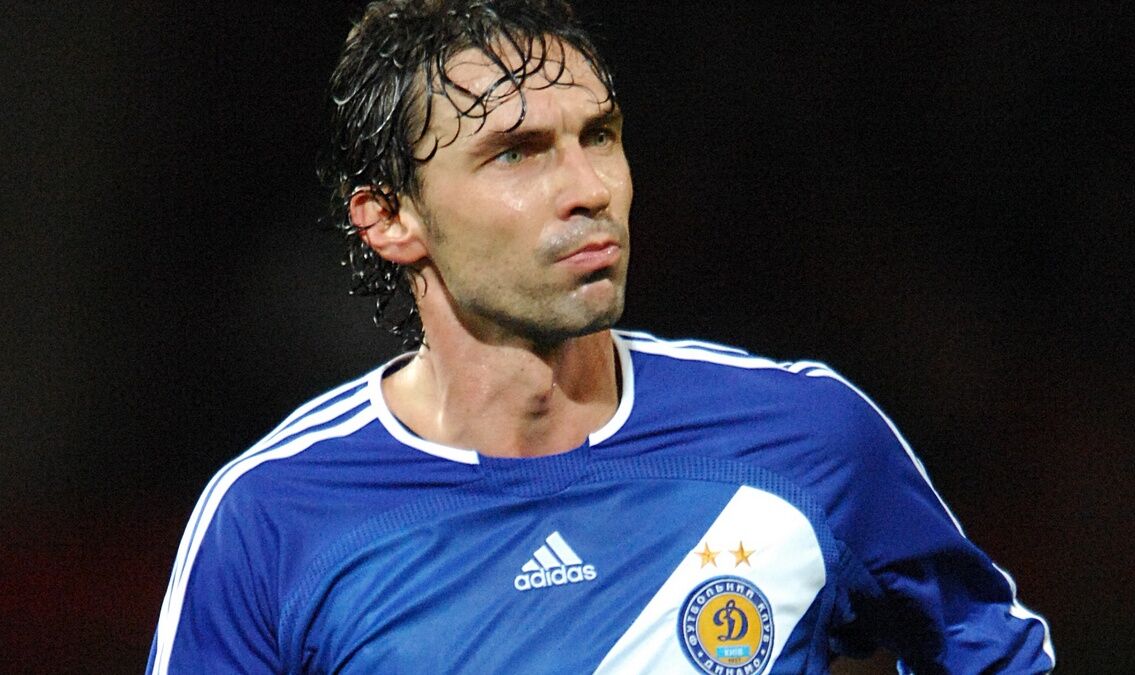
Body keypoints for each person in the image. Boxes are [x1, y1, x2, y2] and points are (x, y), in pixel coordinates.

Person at [147, 1, 1055, 672]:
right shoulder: (272, 521)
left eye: (600, 136)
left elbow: (992, 650)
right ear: (389, 219)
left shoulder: (806, 441)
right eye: (517, 152)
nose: (589, 188)